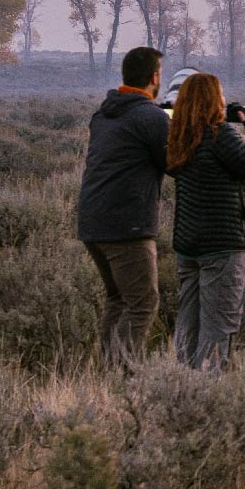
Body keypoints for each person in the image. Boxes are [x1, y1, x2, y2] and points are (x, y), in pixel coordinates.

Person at [163, 71, 245, 371]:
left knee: (189, 325)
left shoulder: (180, 138)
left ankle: (182, 387)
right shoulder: (220, 135)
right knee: (217, 329)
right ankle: (207, 395)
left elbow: (233, 167)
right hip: (223, 246)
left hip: (189, 245)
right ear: (213, 100)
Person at [78, 46, 170, 371]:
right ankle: (122, 374)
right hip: (126, 225)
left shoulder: (103, 114)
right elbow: (174, 162)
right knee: (143, 303)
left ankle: (108, 373)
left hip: (92, 221)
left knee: (118, 299)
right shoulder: (151, 117)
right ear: (155, 77)